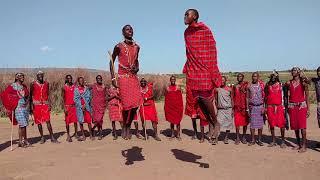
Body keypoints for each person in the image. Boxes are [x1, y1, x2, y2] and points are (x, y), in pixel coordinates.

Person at [183, 9, 222, 142]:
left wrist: (212, 68)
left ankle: (215, 121)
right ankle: (210, 122)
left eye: (187, 14)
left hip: (204, 68)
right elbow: (188, 51)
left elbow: (211, 48)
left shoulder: (205, 30)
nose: (184, 17)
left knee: (205, 97)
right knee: (198, 99)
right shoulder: (186, 32)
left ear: (194, 16)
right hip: (193, 68)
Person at [110, 24, 143, 140]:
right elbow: (111, 61)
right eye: (127, 30)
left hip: (133, 76)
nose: (130, 31)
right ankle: (125, 126)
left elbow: (137, 61)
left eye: (131, 29)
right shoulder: (118, 46)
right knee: (126, 104)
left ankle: (128, 125)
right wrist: (113, 78)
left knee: (137, 103)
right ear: (123, 33)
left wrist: (137, 68)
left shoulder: (137, 47)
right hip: (123, 77)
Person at [0, 73, 30, 147]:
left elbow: (27, 95)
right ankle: (22, 141)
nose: (23, 78)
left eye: (23, 77)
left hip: (24, 107)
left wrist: (27, 102)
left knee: (24, 124)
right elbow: (5, 94)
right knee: (22, 124)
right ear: (17, 78)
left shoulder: (24, 86)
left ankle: (23, 140)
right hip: (18, 107)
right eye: (21, 77)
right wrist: (12, 103)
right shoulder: (12, 86)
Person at [285, 67, 310, 153]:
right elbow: (286, 95)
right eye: (292, 70)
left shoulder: (303, 83)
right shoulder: (289, 83)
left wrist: (308, 109)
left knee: (302, 126)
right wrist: (287, 106)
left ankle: (304, 146)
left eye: (295, 70)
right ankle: (298, 144)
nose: (293, 72)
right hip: (292, 106)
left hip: (301, 107)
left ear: (298, 72)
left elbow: (307, 96)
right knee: (295, 126)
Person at [30, 71, 58, 144]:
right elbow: (31, 95)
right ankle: (42, 137)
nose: (40, 76)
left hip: (45, 104)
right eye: (39, 75)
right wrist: (31, 107)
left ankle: (52, 137)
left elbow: (48, 94)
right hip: (36, 105)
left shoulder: (47, 83)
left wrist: (50, 104)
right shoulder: (33, 84)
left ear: (43, 75)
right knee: (39, 122)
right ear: (37, 76)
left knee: (48, 121)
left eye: (41, 75)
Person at [264, 72, 286, 148]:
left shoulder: (281, 85)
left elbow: (285, 96)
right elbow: (265, 97)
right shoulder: (268, 85)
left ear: (277, 77)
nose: (273, 77)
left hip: (279, 107)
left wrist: (284, 107)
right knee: (271, 124)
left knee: (282, 124)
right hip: (270, 107)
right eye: (272, 76)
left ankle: (283, 141)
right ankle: (273, 140)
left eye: (275, 76)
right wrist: (266, 107)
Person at [247, 72, 265, 146]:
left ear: (258, 77)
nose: (254, 78)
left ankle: (259, 140)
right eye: (253, 76)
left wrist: (264, 107)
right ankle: (253, 140)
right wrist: (247, 109)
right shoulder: (249, 86)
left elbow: (265, 97)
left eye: (255, 76)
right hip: (252, 107)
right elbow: (247, 98)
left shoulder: (261, 86)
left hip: (260, 107)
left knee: (260, 125)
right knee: (252, 125)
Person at [74, 77, 94, 141]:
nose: (81, 82)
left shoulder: (86, 88)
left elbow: (88, 97)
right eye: (80, 81)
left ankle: (91, 135)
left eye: (82, 80)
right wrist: (81, 105)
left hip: (86, 107)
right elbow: (75, 99)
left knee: (88, 121)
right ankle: (83, 135)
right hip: (79, 108)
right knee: (81, 121)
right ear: (78, 82)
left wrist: (85, 105)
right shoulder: (76, 90)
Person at [164, 75, 184, 140]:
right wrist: (166, 107)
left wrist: (180, 107)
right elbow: (166, 99)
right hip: (170, 108)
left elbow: (180, 99)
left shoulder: (178, 88)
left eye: (174, 79)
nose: (173, 80)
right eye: (171, 79)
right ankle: (172, 134)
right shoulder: (167, 88)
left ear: (175, 80)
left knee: (178, 121)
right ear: (170, 80)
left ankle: (178, 135)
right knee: (171, 121)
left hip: (177, 107)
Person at [215, 76, 234, 144]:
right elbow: (216, 100)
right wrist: (217, 109)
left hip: (228, 109)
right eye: (221, 80)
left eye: (223, 80)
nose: (222, 81)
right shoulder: (217, 89)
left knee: (228, 124)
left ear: (226, 81)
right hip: (220, 109)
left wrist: (232, 110)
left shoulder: (230, 89)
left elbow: (232, 99)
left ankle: (226, 138)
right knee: (217, 123)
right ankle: (216, 138)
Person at [233, 73, 249, 144]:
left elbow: (248, 96)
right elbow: (233, 97)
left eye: (241, 76)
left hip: (244, 107)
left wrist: (247, 108)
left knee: (245, 123)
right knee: (237, 123)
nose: (239, 78)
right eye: (238, 76)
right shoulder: (235, 86)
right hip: (237, 107)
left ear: (243, 77)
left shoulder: (246, 85)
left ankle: (244, 137)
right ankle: (237, 137)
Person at [62, 74, 79, 142]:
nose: (70, 79)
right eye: (68, 78)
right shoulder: (64, 87)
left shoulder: (74, 86)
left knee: (75, 121)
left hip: (74, 106)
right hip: (67, 106)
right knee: (67, 122)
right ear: (66, 79)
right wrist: (64, 107)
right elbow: (63, 98)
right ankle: (68, 135)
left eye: (71, 78)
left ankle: (76, 133)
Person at [91, 75, 107, 140]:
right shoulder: (93, 86)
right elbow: (85, 89)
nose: (99, 79)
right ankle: (100, 133)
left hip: (102, 105)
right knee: (97, 120)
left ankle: (93, 129)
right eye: (98, 78)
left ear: (102, 79)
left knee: (99, 120)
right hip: (95, 105)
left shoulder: (104, 86)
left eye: (100, 78)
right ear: (96, 79)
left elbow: (106, 95)